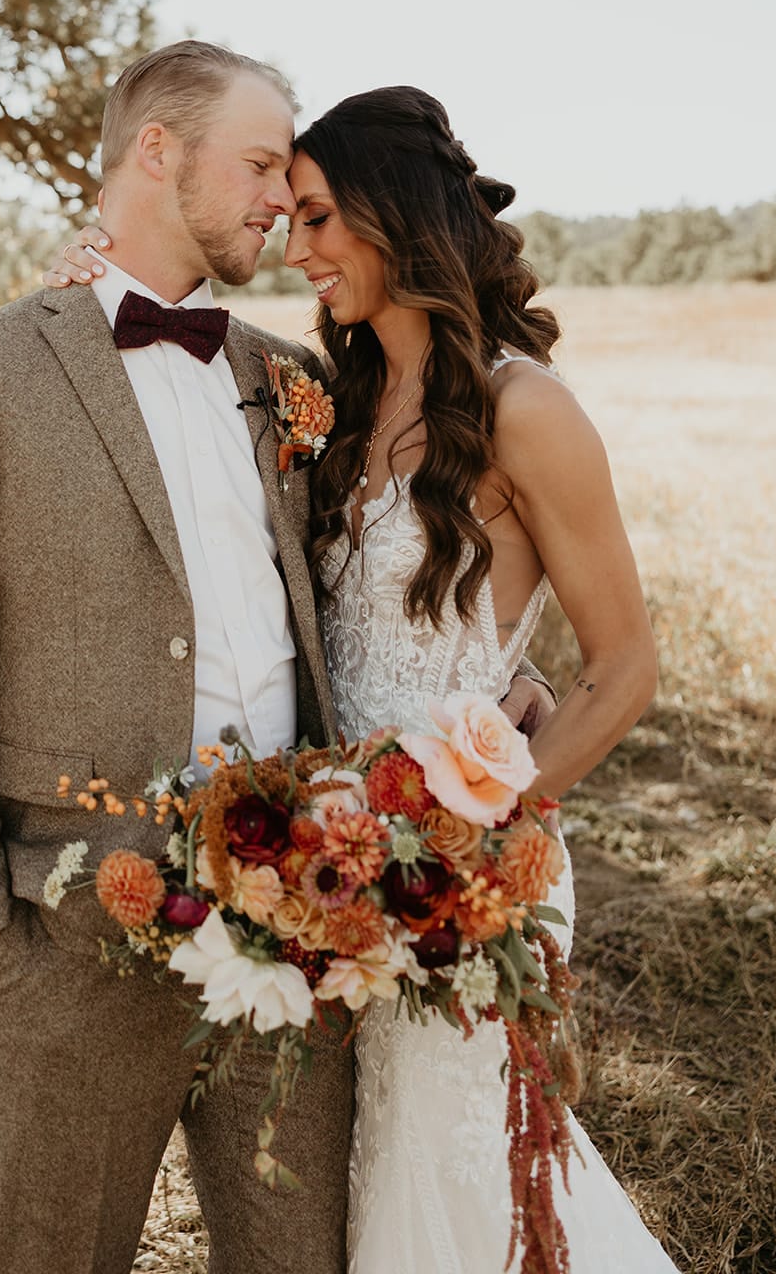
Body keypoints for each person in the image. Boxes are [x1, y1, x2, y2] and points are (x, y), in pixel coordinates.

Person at [0, 41, 551, 1274]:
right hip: (69, 942)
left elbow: (424, 512)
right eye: (260, 165)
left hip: (301, 931)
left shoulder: (288, 380)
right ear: (156, 152)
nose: (281, 200)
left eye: (288, 177)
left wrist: (505, 668)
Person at [50, 84, 679, 1272]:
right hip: (336, 875)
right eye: (287, 217)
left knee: (470, 1177)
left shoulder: (523, 408)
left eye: (322, 218)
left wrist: (475, 830)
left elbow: (626, 666)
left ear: (396, 216)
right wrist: (88, 277)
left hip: (457, 882)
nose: (297, 248)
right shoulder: (326, 402)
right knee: (372, 1186)